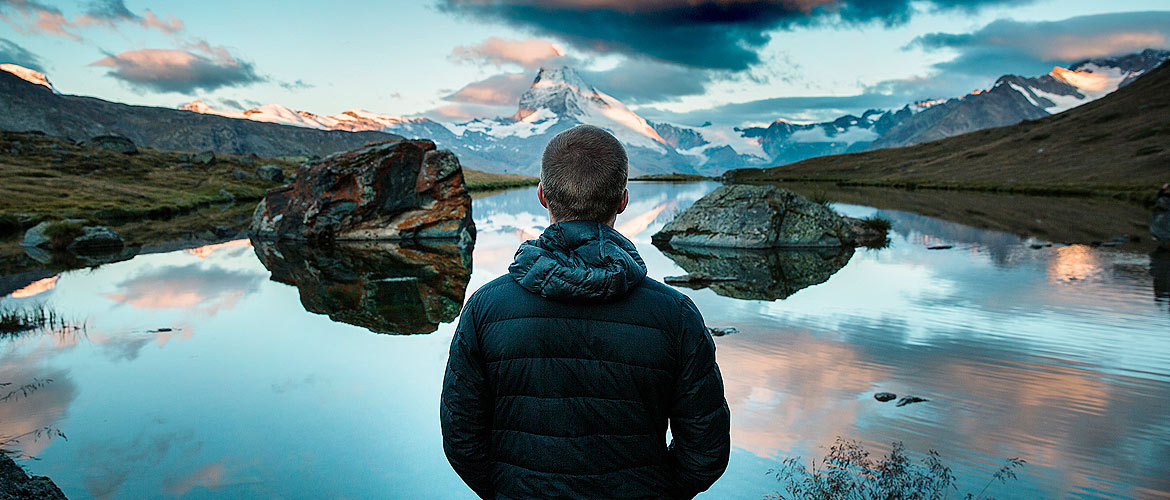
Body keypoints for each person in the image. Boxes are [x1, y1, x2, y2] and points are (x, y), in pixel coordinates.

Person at [440, 125, 731, 499]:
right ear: (623, 200)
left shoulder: (485, 308)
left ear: (543, 195)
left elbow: (461, 438)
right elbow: (705, 449)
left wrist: (511, 490)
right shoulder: (675, 314)